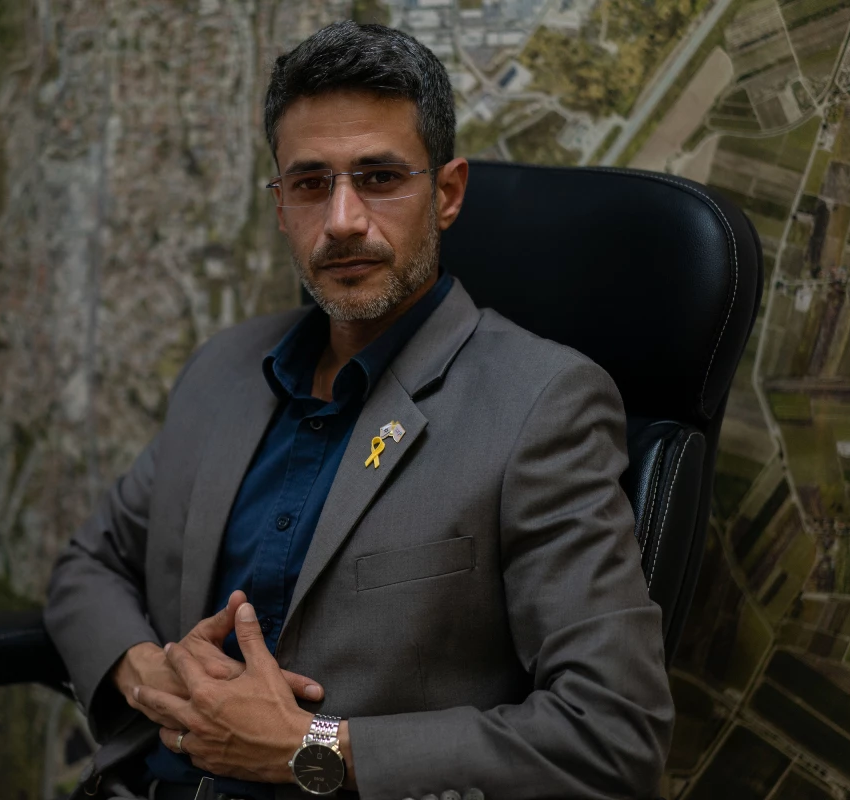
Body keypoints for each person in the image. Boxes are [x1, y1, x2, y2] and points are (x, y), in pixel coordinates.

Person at [45, 20, 673, 800]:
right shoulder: (222, 371)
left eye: (379, 177)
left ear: (446, 194)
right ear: (280, 206)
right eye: (311, 183)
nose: (341, 220)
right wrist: (143, 672)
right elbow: (88, 566)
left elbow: (613, 734)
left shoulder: (542, 407)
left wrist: (310, 749)